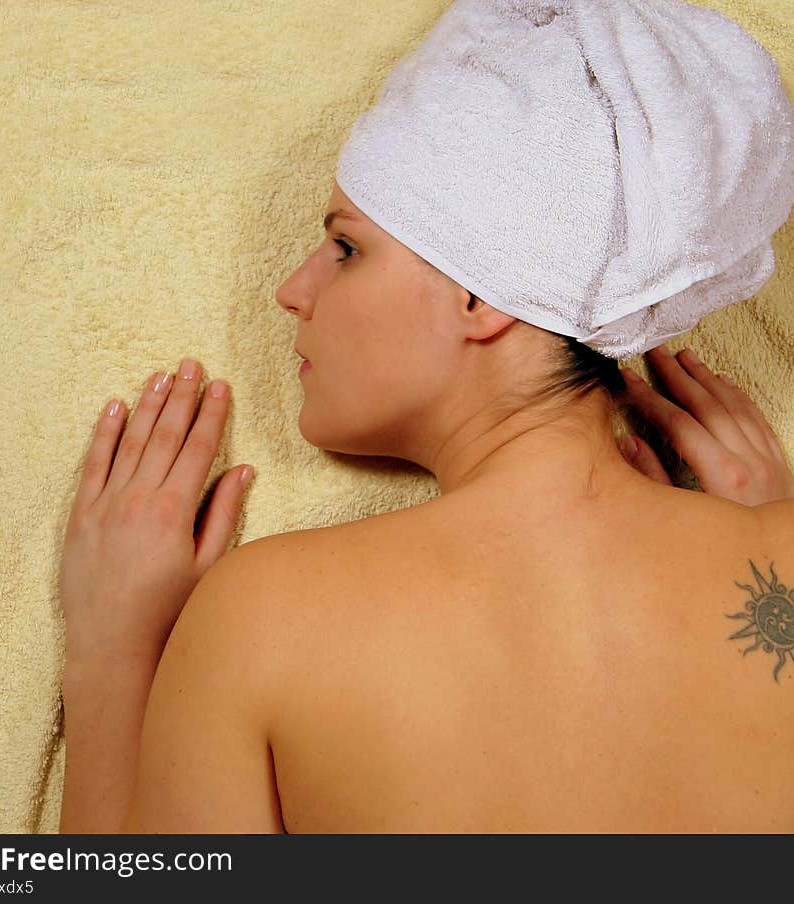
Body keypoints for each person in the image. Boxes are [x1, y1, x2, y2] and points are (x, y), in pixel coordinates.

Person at [58, 2, 794, 833]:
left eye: (346, 248)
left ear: (480, 293)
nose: (291, 290)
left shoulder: (266, 619)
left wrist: (113, 652)